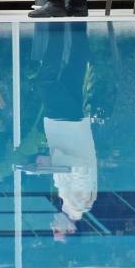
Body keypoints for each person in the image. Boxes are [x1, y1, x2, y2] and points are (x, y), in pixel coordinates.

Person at [33, 22, 97, 241]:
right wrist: (52, 160)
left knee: (74, 68)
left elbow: (67, 171)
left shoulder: (69, 203)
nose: (52, 226)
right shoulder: (80, 203)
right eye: (56, 231)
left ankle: (77, 20)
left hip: (69, 123)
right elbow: (81, 167)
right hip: (67, 123)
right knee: (45, 80)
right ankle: (56, 26)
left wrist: (44, 167)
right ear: (71, 229)